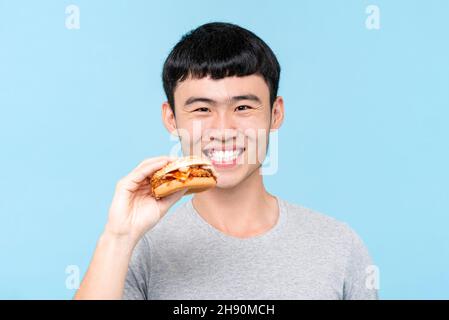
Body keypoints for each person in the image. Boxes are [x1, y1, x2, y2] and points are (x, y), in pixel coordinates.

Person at [74, 22, 378, 300]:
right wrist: (119, 236)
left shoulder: (339, 245)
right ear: (171, 118)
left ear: (275, 113)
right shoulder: (136, 249)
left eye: (243, 107)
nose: (223, 130)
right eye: (202, 110)